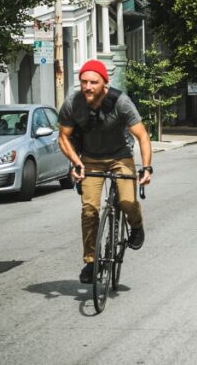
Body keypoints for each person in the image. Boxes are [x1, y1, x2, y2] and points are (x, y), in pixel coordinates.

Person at [58, 60, 153, 285]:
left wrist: (146, 168)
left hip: (120, 157)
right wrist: (75, 163)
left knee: (128, 202)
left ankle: (136, 226)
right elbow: (63, 136)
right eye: (84, 82)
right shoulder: (73, 103)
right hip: (90, 159)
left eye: (93, 82)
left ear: (104, 83)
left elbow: (142, 136)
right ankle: (91, 262)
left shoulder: (121, 102)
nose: (88, 87)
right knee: (89, 210)